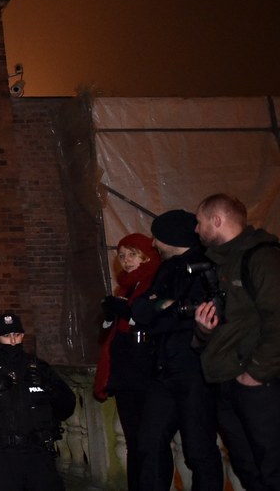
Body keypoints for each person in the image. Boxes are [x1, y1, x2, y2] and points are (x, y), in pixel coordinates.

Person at [130, 210, 222, 491]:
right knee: (149, 442)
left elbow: (193, 313)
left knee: (198, 449)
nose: (154, 243)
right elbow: (142, 310)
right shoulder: (167, 268)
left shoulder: (203, 267)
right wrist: (164, 306)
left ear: (172, 237)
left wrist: (163, 308)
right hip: (163, 370)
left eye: (157, 237)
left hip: (194, 371)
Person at [193, 193, 280, 491]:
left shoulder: (262, 256)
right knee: (247, 467)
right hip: (228, 379)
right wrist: (204, 329)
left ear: (217, 220)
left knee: (272, 467)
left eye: (199, 221)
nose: (196, 230)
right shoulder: (221, 265)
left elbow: (277, 318)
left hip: (258, 384)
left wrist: (255, 372)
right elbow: (232, 324)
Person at [0, 313, 75, 491]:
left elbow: (67, 405)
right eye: (6, 336)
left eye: (16, 335)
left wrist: (48, 387)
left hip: (38, 453)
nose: (12, 341)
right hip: (2, 456)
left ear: (22, 335)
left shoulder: (38, 367)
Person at [91, 234, 160, 491]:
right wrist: (110, 317)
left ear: (145, 255)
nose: (126, 260)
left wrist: (127, 314)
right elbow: (109, 333)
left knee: (147, 440)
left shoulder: (154, 281)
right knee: (132, 440)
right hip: (125, 375)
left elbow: (153, 320)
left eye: (132, 254)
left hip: (146, 373)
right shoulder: (125, 287)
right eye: (122, 256)